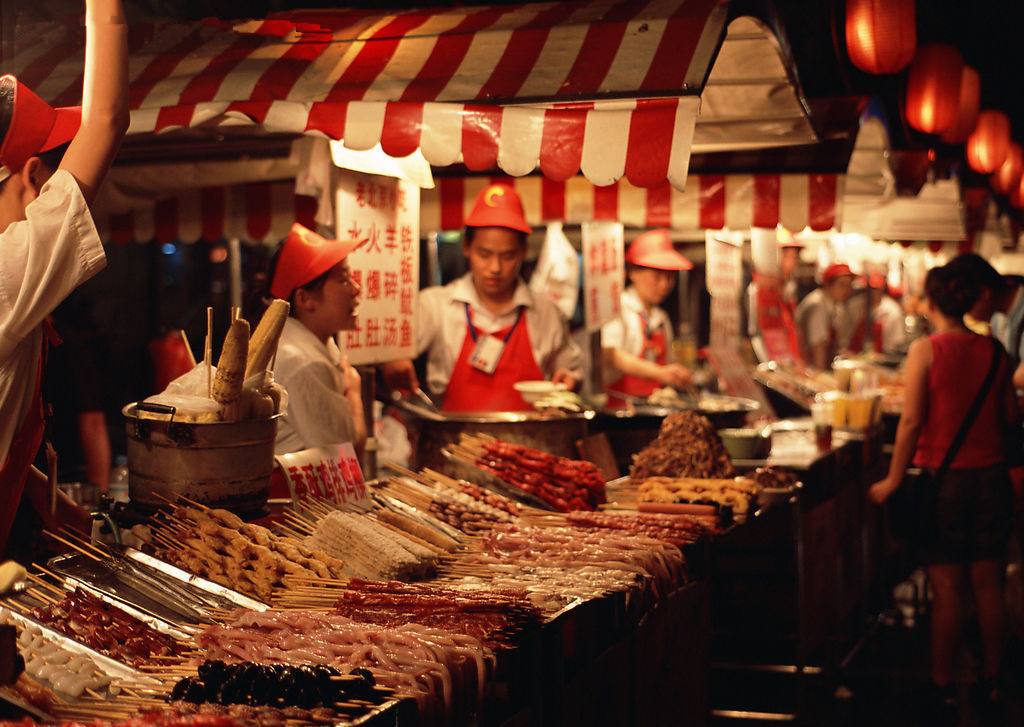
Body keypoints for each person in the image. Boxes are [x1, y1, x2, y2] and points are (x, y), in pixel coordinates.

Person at [0, 0, 128, 554]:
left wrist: (61, 510)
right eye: (56, 168)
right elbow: (107, 120)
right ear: (32, 173)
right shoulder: (8, 269)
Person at [869, 264, 1016, 712]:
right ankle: (994, 679)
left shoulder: (925, 350)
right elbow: (1010, 417)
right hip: (991, 481)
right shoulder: (994, 350)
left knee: (948, 588)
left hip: (945, 484)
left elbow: (912, 420)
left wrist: (893, 479)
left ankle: (943, 684)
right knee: (988, 585)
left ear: (931, 303)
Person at [382, 182, 582, 412]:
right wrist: (392, 357)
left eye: (508, 256)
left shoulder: (546, 312)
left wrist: (570, 380)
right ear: (467, 248)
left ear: (524, 252)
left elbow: (571, 370)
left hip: (531, 433)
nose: (495, 268)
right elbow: (385, 347)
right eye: (484, 254)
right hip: (454, 433)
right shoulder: (435, 305)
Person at [268, 223, 367, 457]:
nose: (356, 289)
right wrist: (353, 392)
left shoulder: (311, 342)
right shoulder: (303, 362)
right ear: (305, 299)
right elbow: (346, 457)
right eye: (343, 280)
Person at [601, 229, 692, 407]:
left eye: (669, 277)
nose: (664, 285)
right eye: (657, 276)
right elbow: (612, 355)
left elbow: (667, 363)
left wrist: (676, 374)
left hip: (654, 407)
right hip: (620, 409)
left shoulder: (661, 318)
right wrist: (660, 373)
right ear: (633, 273)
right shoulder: (618, 307)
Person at [746, 237, 804, 365]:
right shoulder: (757, 290)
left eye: (796, 257)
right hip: (769, 359)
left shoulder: (789, 288)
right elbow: (755, 332)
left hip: (788, 358)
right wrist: (769, 364)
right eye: (790, 257)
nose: (794, 262)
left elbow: (791, 327)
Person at [794, 263, 862, 370]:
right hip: (806, 368)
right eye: (842, 284)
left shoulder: (835, 305)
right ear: (828, 285)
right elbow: (818, 347)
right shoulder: (818, 305)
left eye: (849, 285)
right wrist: (822, 376)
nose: (847, 290)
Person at [866, 274, 907, 355]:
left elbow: (898, 341)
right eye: (872, 289)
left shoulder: (892, 309)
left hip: (887, 354)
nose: (874, 292)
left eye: (877, 289)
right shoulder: (861, 306)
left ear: (883, 288)